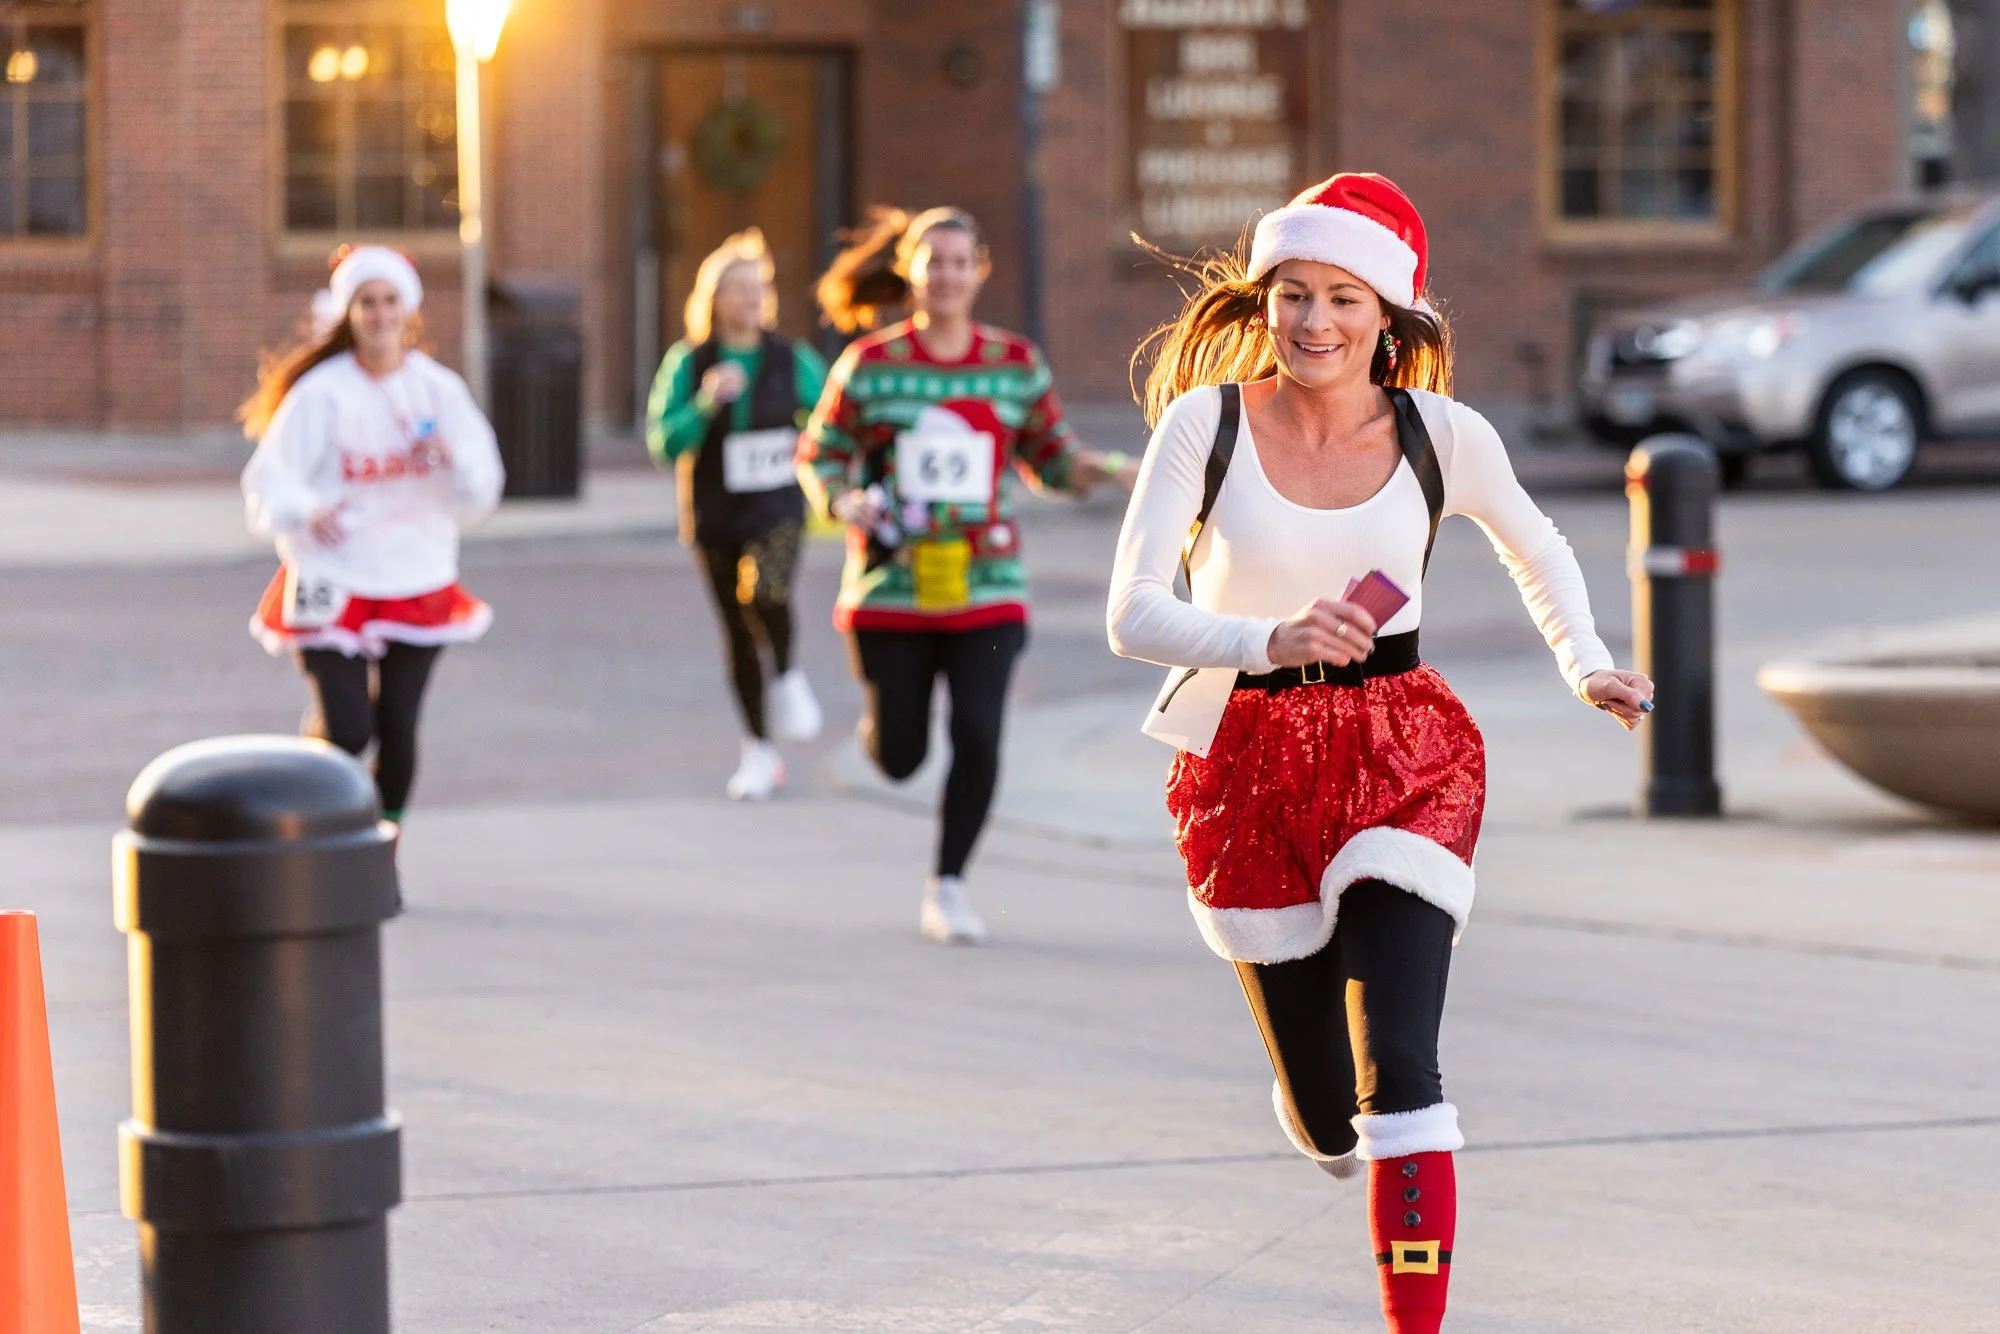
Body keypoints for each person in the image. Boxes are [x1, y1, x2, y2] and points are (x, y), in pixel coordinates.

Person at [1106, 174, 1654, 1333]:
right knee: (1327, 1114)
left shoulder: (1439, 435)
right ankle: (1312, 1110)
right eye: (1292, 293)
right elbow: (1131, 613)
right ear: (1264, 299)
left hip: (1401, 749)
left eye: (1342, 298)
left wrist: (1585, 661)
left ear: (1386, 312)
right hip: (1244, 763)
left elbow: (1536, 544)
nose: (1313, 321)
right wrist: (1267, 639)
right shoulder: (1204, 423)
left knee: (1399, 1066)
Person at [803, 205, 1139, 944]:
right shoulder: (871, 364)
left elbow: (1051, 457)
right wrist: (842, 499)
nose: (947, 276)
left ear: (979, 272)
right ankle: (881, 729)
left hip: (989, 586)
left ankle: (948, 884)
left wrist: (1110, 469)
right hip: (893, 590)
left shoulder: (1013, 364)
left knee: (979, 734)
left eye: (961, 262)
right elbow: (821, 453)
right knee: (900, 759)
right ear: (911, 272)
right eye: (935, 263)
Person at [240, 245, 504, 828]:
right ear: (349, 313)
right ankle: (316, 828)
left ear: (407, 309)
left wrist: (450, 457)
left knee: (398, 727)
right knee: (349, 729)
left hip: (415, 573)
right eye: (366, 303)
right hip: (332, 575)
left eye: (389, 301)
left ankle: (383, 849)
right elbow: (268, 479)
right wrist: (306, 509)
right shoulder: (321, 393)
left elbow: (484, 486)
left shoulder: (439, 390)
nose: (380, 314)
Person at [647, 228, 831, 800]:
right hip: (715, 512)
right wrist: (705, 402)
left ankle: (788, 672)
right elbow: (663, 442)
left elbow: (830, 421)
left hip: (778, 505)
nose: (751, 298)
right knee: (736, 629)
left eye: (759, 287)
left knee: (766, 592)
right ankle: (759, 748)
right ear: (715, 298)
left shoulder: (792, 359)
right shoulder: (689, 361)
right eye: (739, 288)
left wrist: (813, 442)